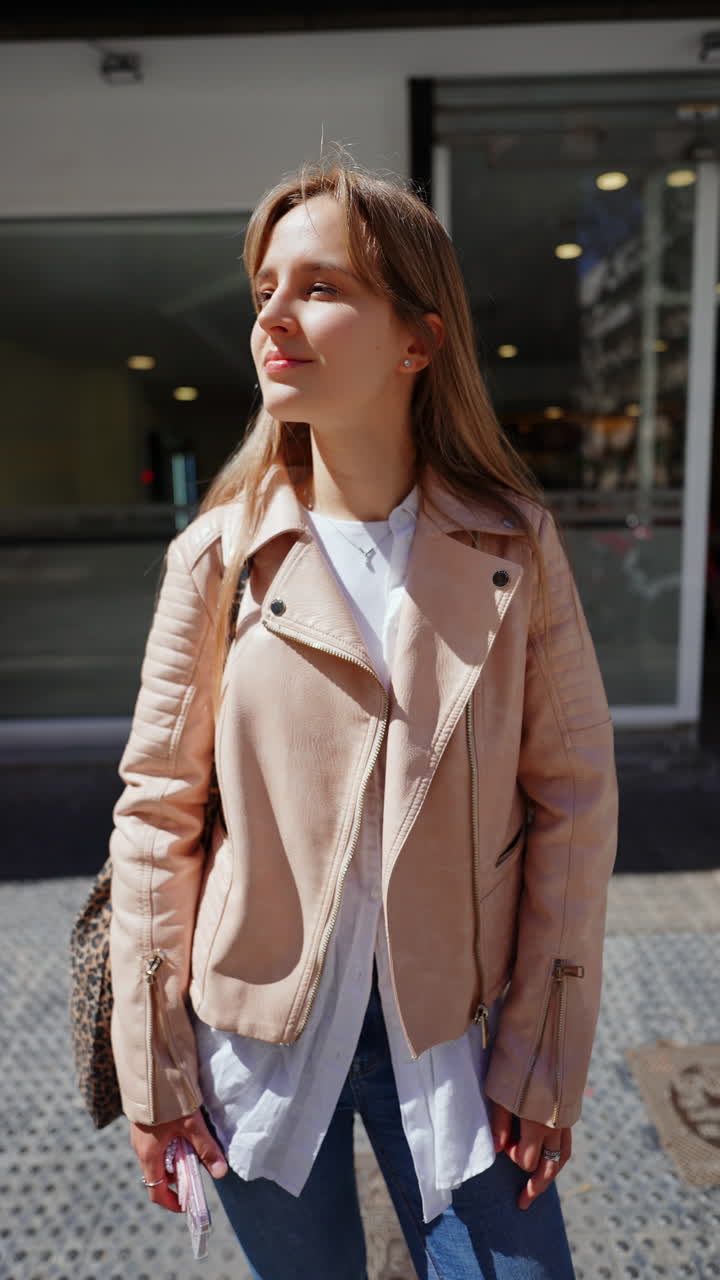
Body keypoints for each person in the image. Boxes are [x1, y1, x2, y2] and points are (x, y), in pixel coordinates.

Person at [108, 160, 618, 1280]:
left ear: (418, 341)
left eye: (322, 285)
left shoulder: (512, 549)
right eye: (264, 291)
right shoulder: (218, 558)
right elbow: (156, 812)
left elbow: (574, 802)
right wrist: (156, 1074)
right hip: (256, 1040)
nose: (274, 318)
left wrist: (542, 1058)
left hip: (458, 1035)